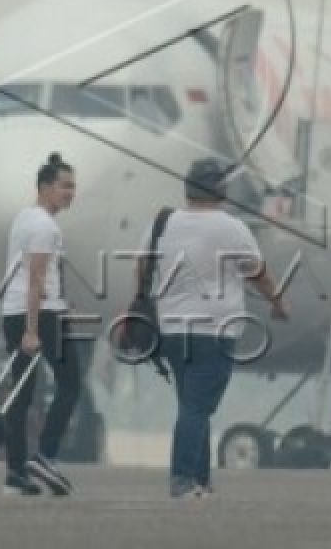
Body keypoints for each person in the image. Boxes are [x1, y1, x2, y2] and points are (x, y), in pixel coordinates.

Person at [143, 158, 288, 499]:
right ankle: (181, 480)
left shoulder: (162, 223)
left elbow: (141, 265)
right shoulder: (231, 228)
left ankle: (201, 480)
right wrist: (279, 302)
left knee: (193, 405)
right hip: (215, 331)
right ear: (223, 189)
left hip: (173, 330)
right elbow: (258, 273)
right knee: (197, 407)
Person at [0, 152, 82, 496]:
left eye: (73, 186)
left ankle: (15, 474)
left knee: (22, 395)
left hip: (13, 312)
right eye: (65, 186)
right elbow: (36, 280)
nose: (70, 192)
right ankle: (44, 456)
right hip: (39, 315)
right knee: (70, 382)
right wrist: (33, 330)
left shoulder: (24, 218)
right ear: (45, 187)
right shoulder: (45, 227)